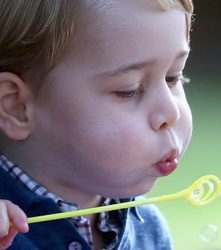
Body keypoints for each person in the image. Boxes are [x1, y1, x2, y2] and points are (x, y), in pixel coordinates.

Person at [0, 0, 193, 249]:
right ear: (16, 107)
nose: (171, 112)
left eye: (173, 77)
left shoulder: (148, 230)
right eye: (129, 90)